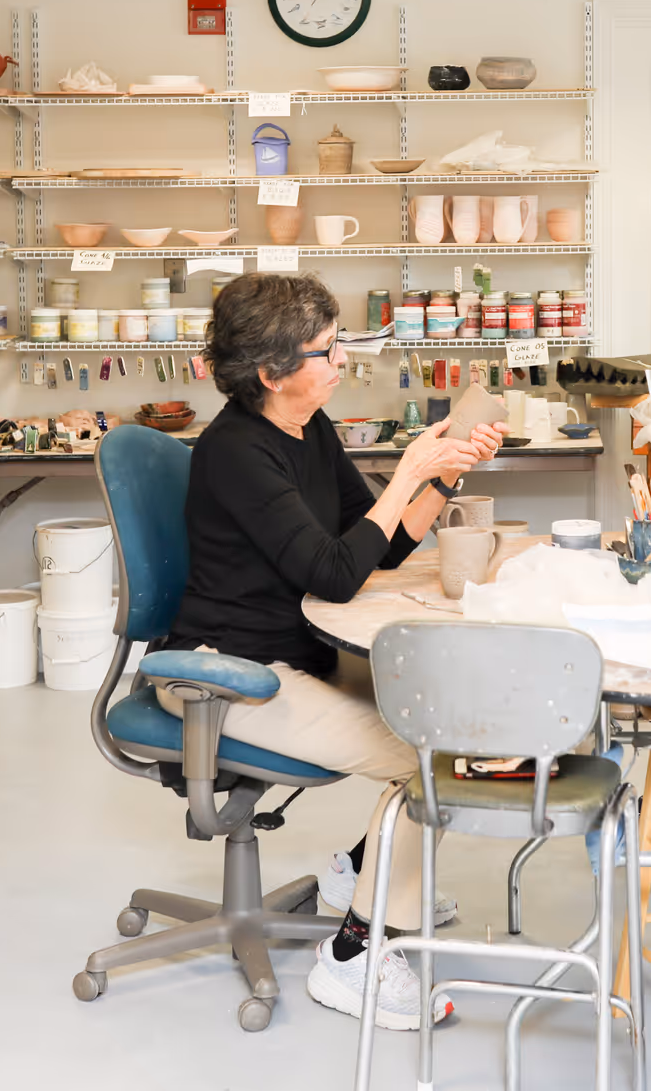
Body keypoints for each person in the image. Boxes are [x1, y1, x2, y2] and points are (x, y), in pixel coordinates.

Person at [159, 272, 504, 1031]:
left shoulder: (309, 427)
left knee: (447, 713)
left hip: (291, 650)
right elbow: (335, 576)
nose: (342, 359)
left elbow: (374, 544)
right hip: (225, 673)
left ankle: (362, 872)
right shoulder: (235, 453)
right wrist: (409, 470)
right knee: (430, 758)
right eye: (326, 350)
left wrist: (443, 474)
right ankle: (354, 957)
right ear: (271, 373)